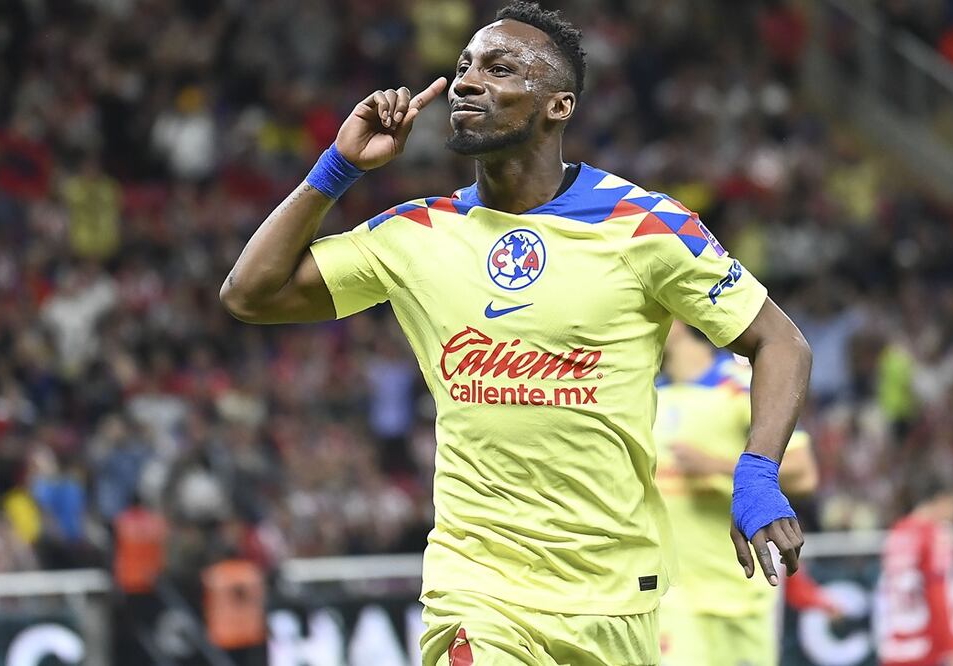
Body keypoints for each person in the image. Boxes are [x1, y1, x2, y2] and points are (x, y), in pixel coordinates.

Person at [220, 2, 812, 663]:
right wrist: (338, 167)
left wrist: (757, 474)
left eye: (499, 69)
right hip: (478, 588)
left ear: (559, 106)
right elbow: (250, 293)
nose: (467, 82)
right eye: (464, 66)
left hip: (617, 593)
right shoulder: (417, 233)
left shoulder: (645, 226)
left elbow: (779, 341)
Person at [655, 321, 826, 666]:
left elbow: (804, 473)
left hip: (745, 593)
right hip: (673, 599)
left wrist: (716, 466)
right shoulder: (646, 396)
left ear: (676, 322)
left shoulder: (740, 385)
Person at [875, 474, 953, 666]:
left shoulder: (897, 532)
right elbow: (938, 594)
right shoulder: (935, 535)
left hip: (895, 647)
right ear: (943, 500)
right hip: (925, 648)